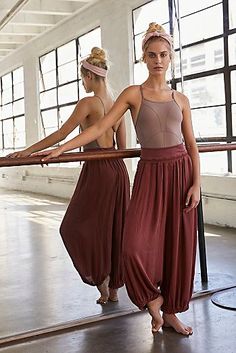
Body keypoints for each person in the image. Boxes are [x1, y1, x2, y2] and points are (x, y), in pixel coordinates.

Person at [24, 23, 200, 335]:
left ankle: (170, 312)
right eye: (151, 54)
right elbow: (97, 128)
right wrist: (61, 149)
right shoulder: (133, 94)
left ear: (170, 57)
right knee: (132, 247)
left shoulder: (181, 99)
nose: (157, 59)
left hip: (180, 172)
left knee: (177, 246)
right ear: (143, 58)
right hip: (150, 172)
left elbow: (191, 145)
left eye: (163, 54)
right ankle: (153, 300)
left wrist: (196, 183)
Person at [8, 47, 130, 305]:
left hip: (97, 172)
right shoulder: (117, 102)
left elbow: (61, 135)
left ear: (89, 76)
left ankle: (103, 285)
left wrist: (28, 151)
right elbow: (123, 146)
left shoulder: (88, 103)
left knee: (72, 226)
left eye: (82, 78)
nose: (82, 83)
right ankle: (115, 289)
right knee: (113, 228)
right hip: (117, 172)